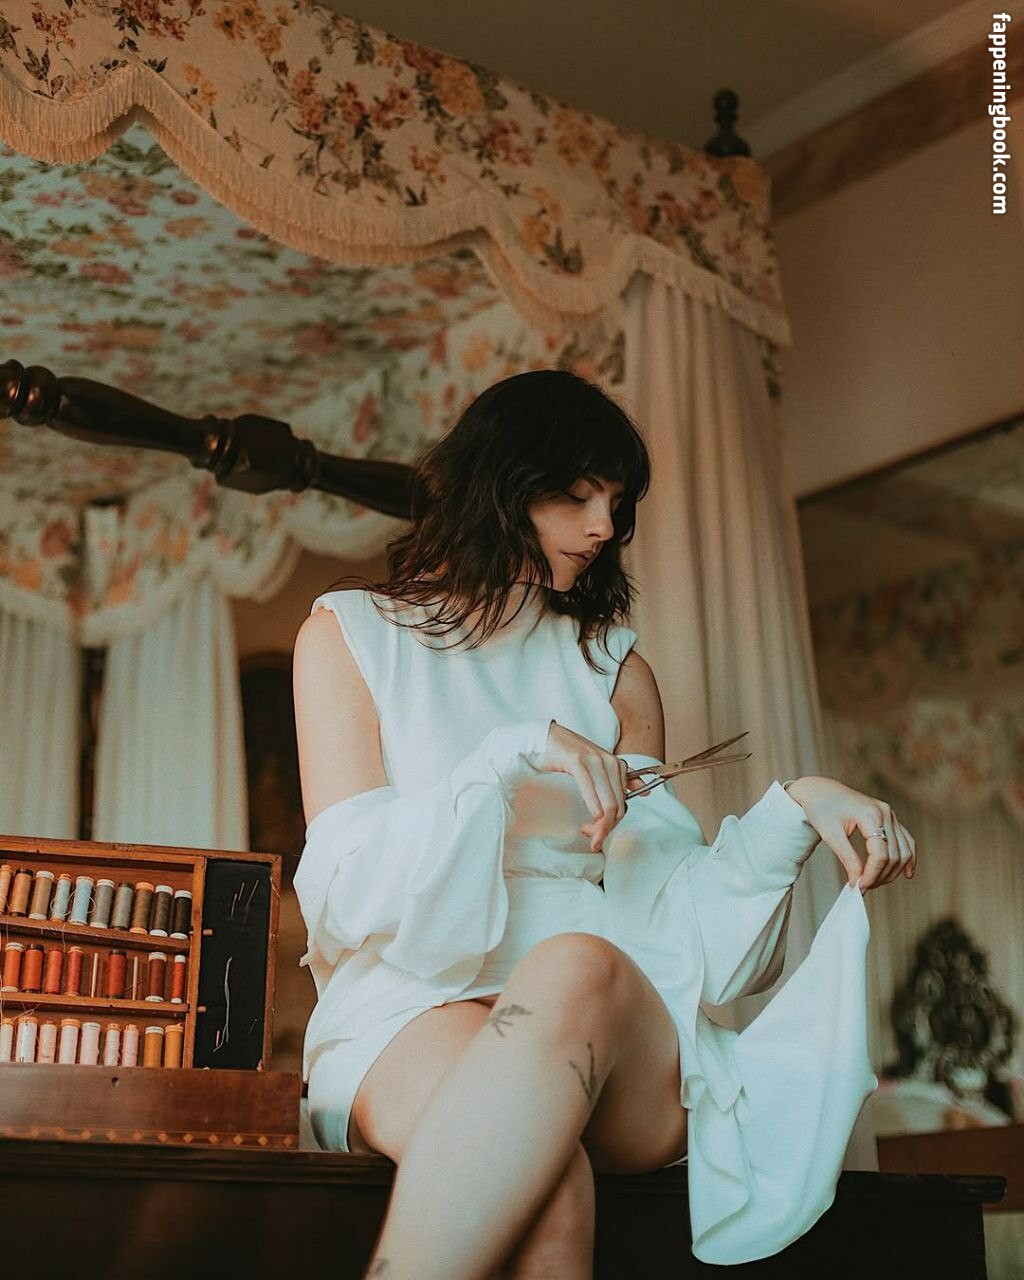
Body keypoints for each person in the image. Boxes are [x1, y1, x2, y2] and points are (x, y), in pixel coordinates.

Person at [292, 369, 917, 1280]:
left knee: (575, 964)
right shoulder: (348, 638)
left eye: (616, 506)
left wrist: (798, 806)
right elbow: (347, 892)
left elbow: (672, 920)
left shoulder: (615, 672)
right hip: (411, 1005)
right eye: (578, 495)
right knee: (549, 1191)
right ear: (500, 484)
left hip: (608, 1031)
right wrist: (507, 757)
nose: (602, 528)